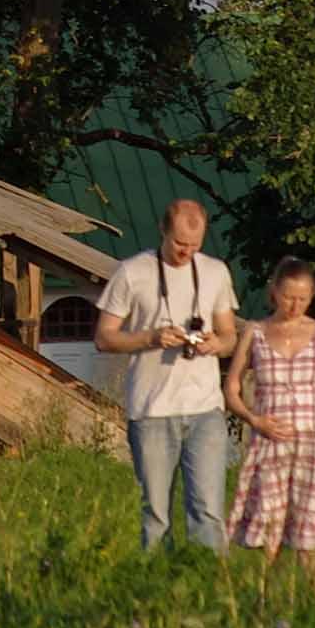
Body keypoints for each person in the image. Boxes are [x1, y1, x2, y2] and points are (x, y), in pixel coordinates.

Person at [92, 198, 240, 552]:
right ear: (162, 230)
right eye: (179, 244)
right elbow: (104, 337)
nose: (186, 252)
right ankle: (156, 587)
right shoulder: (132, 272)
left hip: (205, 409)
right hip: (152, 410)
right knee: (156, 513)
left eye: (194, 245)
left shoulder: (216, 272)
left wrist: (214, 344)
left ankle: (208, 584)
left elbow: (231, 336)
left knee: (208, 510)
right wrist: (150, 338)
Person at [227, 256, 315, 571]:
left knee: (310, 532)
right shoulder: (255, 332)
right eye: (288, 297)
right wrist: (253, 419)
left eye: (302, 298)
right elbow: (231, 388)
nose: (294, 305)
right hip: (271, 441)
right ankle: (265, 598)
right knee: (269, 525)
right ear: (274, 292)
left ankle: (307, 601)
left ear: (312, 296)